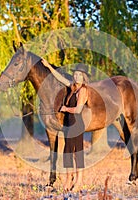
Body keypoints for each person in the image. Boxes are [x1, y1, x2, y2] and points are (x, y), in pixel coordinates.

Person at [41, 59, 90, 192]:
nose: (76, 76)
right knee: (67, 152)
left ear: (83, 77)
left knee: (77, 153)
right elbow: (60, 78)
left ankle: (79, 182)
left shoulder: (83, 90)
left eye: (79, 75)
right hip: (68, 123)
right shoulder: (72, 87)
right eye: (75, 74)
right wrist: (48, 67)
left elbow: (78, 109)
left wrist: (64, 109)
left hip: (77, 123)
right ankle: (69, 180)